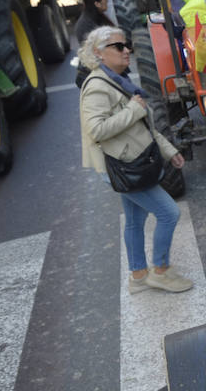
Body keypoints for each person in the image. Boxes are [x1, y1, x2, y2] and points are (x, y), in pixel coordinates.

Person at [78, 26, 191, 294]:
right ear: (99, 53)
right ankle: (160, 272)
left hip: (130, 161)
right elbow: (96, 130)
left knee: (134, 220)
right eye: (118, 46)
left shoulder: (116, 80)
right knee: (168, 213)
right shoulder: (97, 86)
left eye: (126, 45)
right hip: (125, 166)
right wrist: (131, 109)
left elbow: (143, 126)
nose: (126, 50)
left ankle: (139, 276)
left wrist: (168, 150)